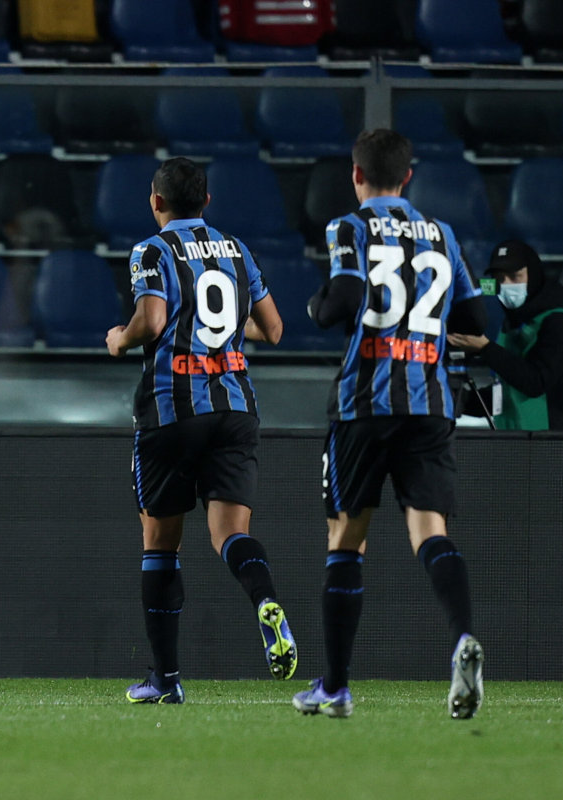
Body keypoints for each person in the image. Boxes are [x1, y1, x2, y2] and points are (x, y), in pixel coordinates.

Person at [297, 129, 489, 720]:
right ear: (408, 177)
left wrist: (317, 305)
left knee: (346, 539)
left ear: (356, 176)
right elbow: (478, 317)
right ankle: (462, 638)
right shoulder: (441, 234)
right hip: (429, 402)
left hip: (364, 404)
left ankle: (334, 687)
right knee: (430, 531)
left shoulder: (348, 227)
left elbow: (344, 298)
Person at [105, 156, 296, 705]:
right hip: (235, 408)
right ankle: (264, 599)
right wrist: (227, 333)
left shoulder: (153, 249)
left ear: (156, 202)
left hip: (171, 411)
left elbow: (154, 321)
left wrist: (120, 338)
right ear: (207, 202)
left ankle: (165, 679)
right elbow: (274, 329)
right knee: (230, 534)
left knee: (160, 546)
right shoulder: (237, 250)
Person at [447, 239, 563, 431]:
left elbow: (535, 382)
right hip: (529, 440)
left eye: (516, 276)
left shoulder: (559, 320)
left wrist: (485, 348)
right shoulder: (513, 323)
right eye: (500, 279)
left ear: (532, 275)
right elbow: (508, 394)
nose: (506, 285)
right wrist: (452, 399)